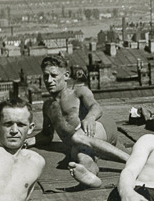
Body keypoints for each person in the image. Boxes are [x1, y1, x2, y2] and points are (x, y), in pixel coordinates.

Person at [37, 54, 129, 188]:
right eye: (46, 76)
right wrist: (27, 141)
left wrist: (90, 117)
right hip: (81, 142)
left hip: (100, 126)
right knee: (81, 157)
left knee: (77, 136)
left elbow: (95, 106)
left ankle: (130, 160)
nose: (49, 80)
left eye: (54, 75)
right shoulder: (48, 106)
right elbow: (46, 135)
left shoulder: (79, 92)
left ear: (66, 75)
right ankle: (93, 177)